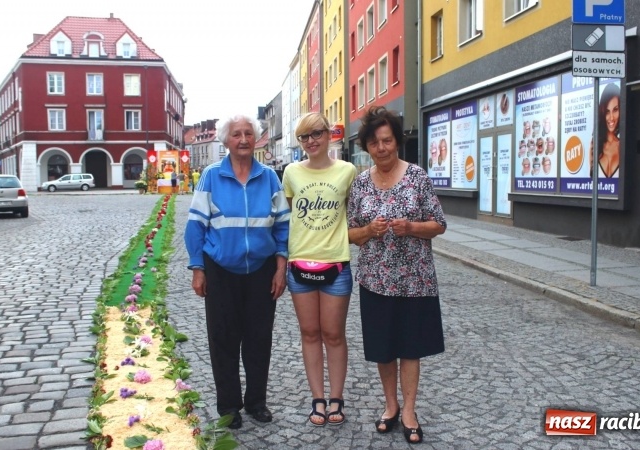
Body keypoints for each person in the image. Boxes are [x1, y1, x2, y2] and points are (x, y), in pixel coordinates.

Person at [347, 106, 446, 445]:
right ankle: (390, 406)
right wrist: (368, 232)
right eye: (374, 143)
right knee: (384, 348)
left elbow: (439, 224)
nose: (382, 148)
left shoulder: (417, 176)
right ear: (367, 147)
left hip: (414, 279)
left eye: (387, 140)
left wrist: (412, 227)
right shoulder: (360, 183)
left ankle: (409, 411)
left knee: (411, 347)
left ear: (397, 141)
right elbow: (348, 233)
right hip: (375, 279)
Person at [184, 114, 290, 430]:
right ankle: (230, 407)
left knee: (259, 339)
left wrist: (280, 267)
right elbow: (195, 226)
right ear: (226, 140)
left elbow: (283, 225)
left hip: (261, 269)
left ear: (255, 139)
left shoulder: (269, 177)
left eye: (248, 133)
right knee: (223, 340)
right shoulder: (212, 177)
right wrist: (197, 268)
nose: (243, 139)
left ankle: (257, 401)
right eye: (236, 134)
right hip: (220, 270)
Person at [281, 112, 357, 427]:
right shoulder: (291, 173)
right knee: (310, 333)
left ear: (329, 135)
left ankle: (336, 397)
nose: (311, 142)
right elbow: (289, 215)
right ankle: (318, 399)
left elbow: (354, 213)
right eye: (304, 137)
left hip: (335, 263)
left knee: (334, 334)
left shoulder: (347, 171)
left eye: (316, 134)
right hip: (299, 263)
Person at [597, 83, 621, 178]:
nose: (611, 118)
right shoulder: (595, 146)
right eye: (607, 112)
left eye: (615, 110)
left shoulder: (623, 146)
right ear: (603, 113)